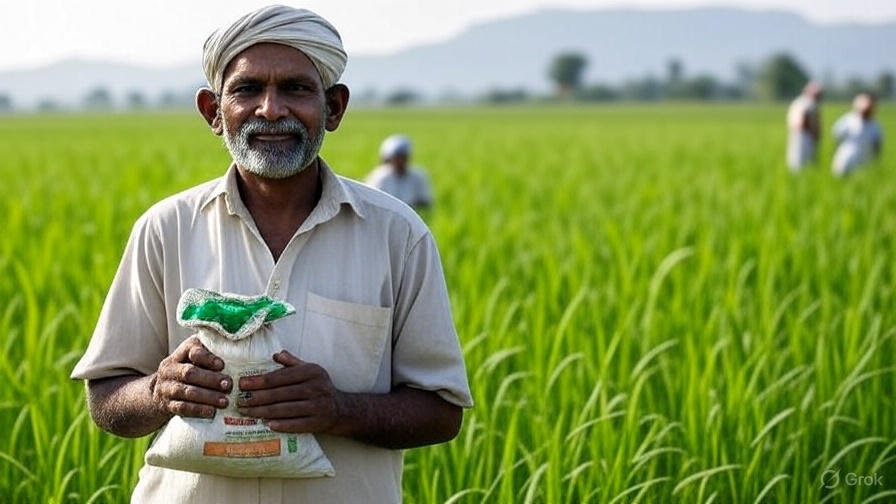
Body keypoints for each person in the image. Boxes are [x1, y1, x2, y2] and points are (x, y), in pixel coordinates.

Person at [70, 6, 472, 503]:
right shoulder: (166, 228)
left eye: (296, 89)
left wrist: (340, 410)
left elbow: (441, 411)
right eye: (247, 89)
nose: (271, 109)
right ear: (213, 112)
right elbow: (106, 398)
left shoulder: (397, 235)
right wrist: (159, 392)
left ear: (335, 108)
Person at [365, 134, 433, 210]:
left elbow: (426, 202)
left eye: (403, 157)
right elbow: (371, 201)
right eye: (397, 157)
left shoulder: (418, 176)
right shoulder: (380, 176)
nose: (400, 161)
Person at [832, 93, 883, 176]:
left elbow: (877, 146)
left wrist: (874, 162)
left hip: (864, 162)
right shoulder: (848, 120)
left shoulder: (875, 126)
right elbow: (836, 136)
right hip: (844, 160)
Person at [786, 81, 823, 171]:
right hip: (804, 136)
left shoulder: (799, 102)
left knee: (799, 162)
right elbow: (802, 121)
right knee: (803, 163)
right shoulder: (808, 103)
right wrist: (814, 132)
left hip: (799, 135)